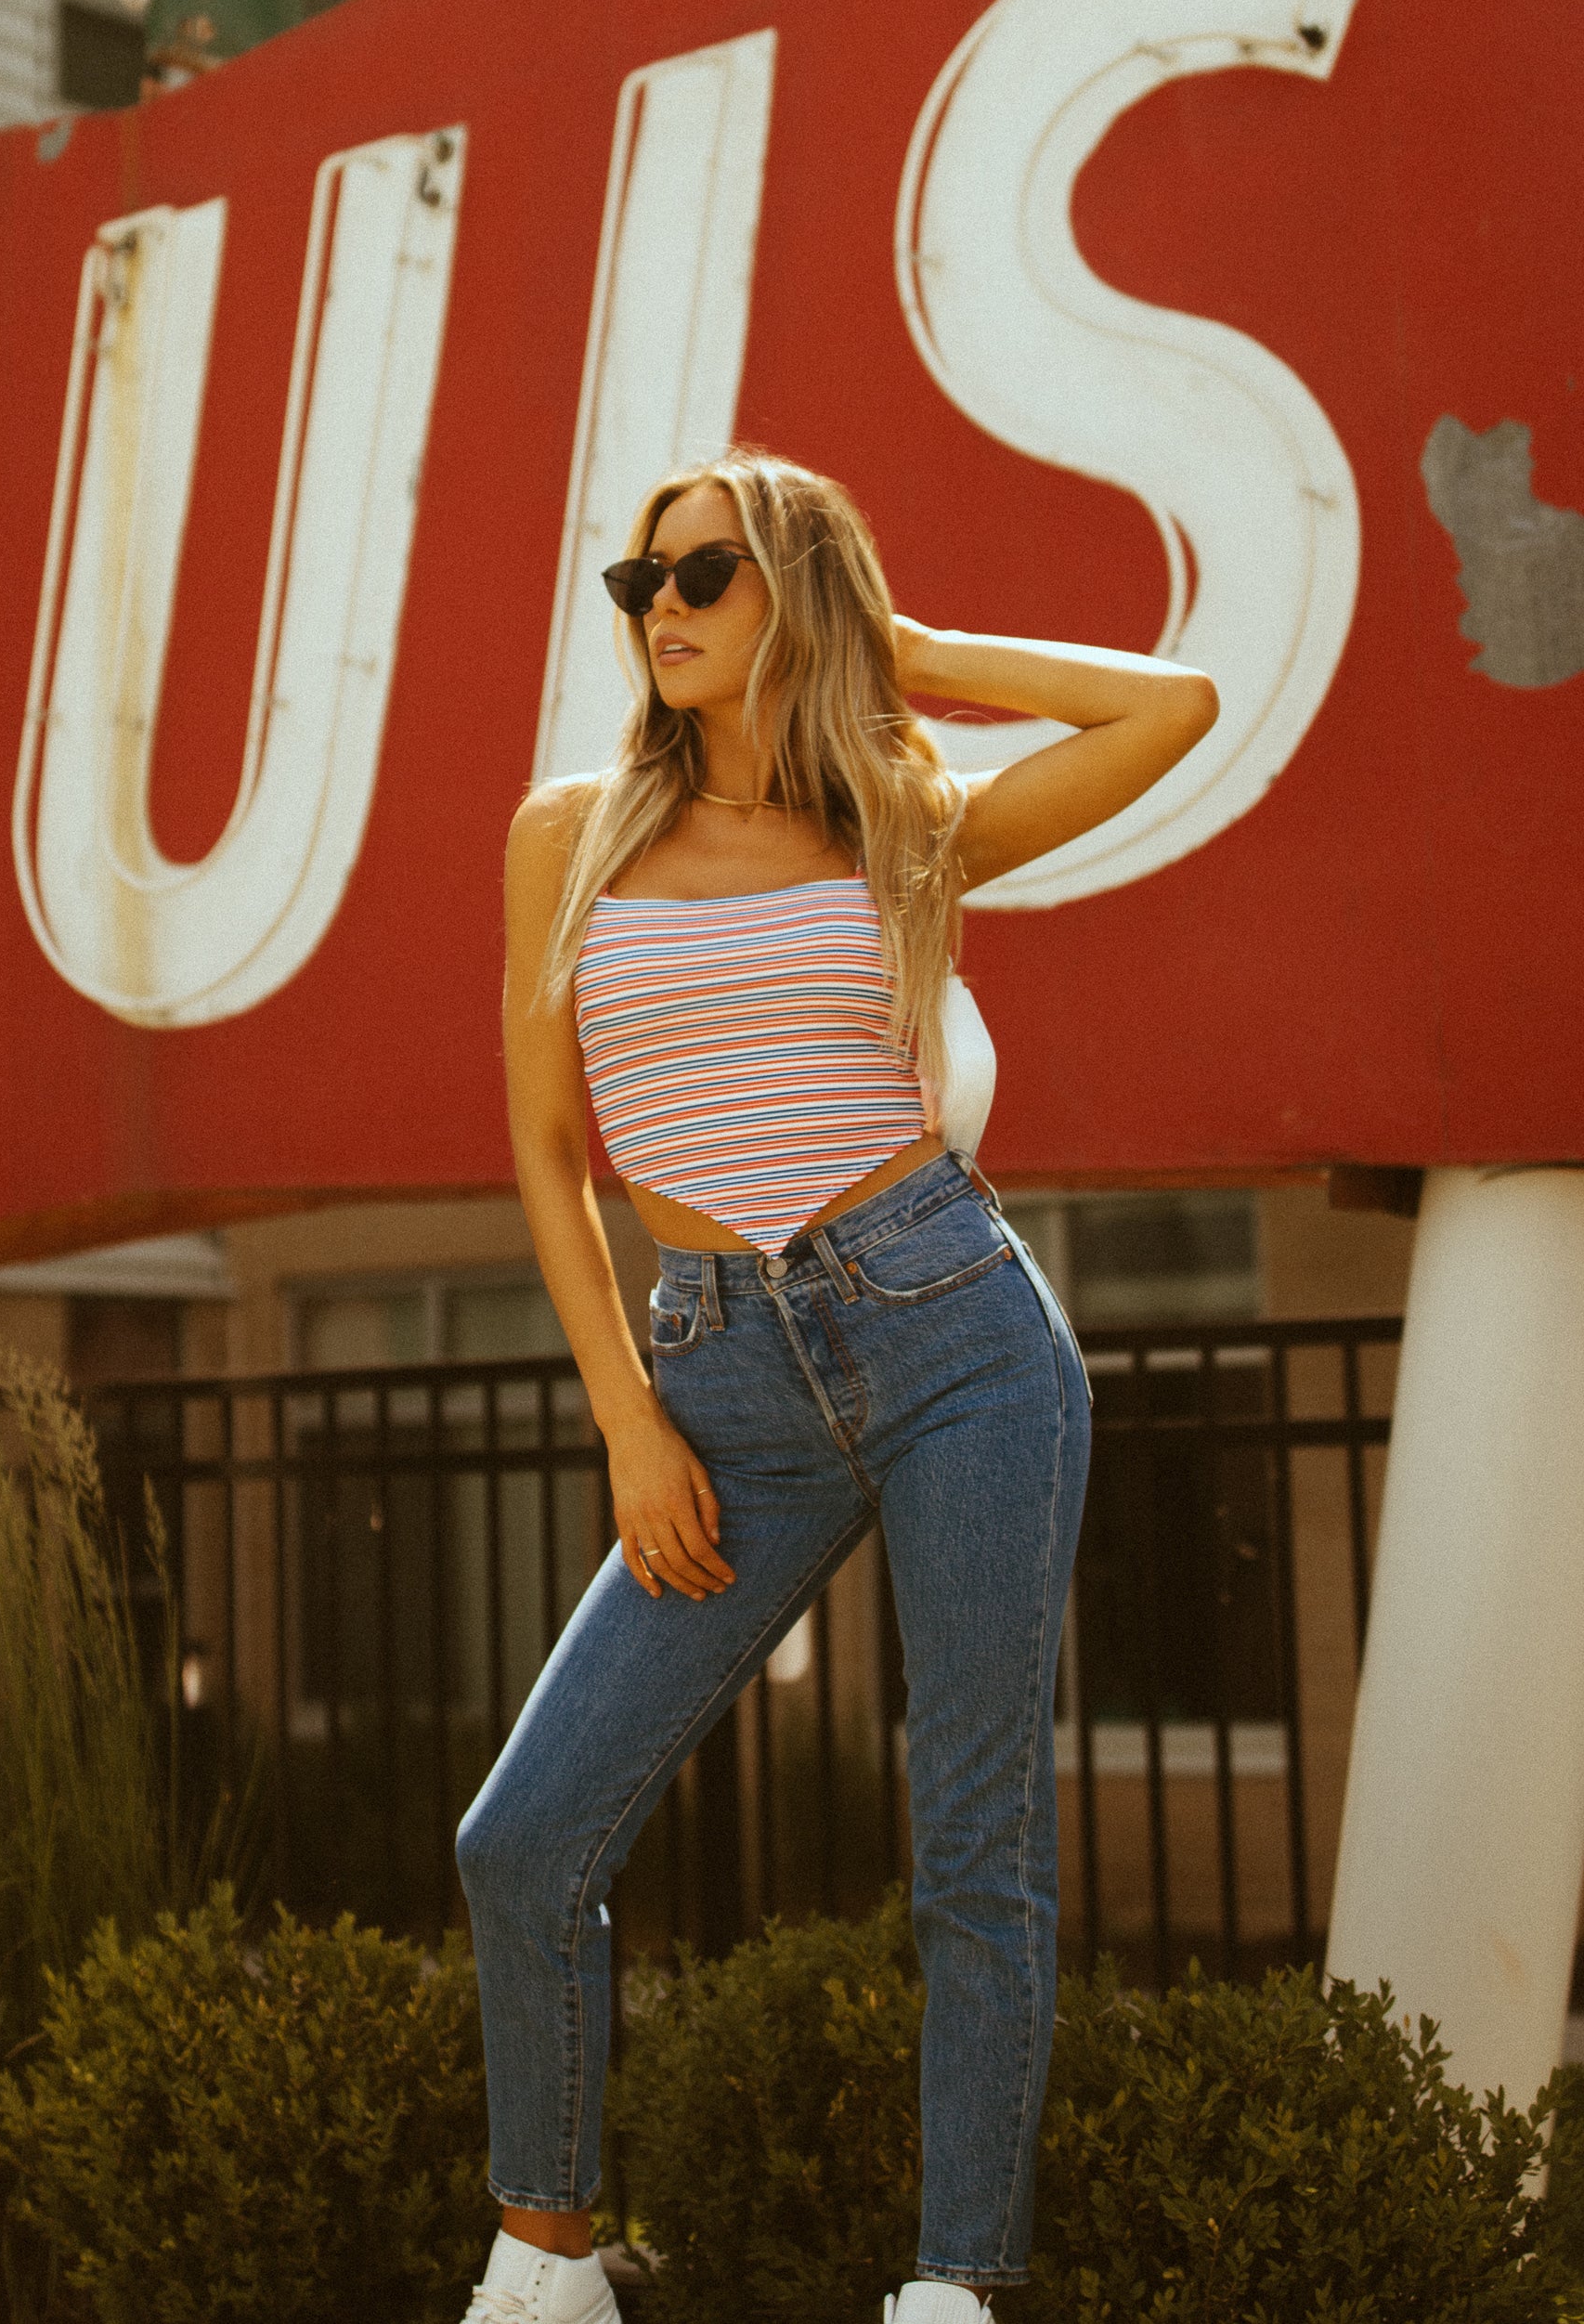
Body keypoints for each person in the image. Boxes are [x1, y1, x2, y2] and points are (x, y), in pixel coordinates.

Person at [456, 448, 1218, 2324]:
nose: (666, 613)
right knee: (525, 1837)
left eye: (706, 573)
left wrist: (912, 643)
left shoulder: (901, 818)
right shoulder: (569, 837)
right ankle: (546, 2265)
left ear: (794, 589)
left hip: (957, 1333)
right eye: (639, 588)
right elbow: (550, 1155)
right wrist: (630, 1417)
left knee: (969, 1841)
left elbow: (1171, 706)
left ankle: (952, 2290)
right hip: (719, 1382)